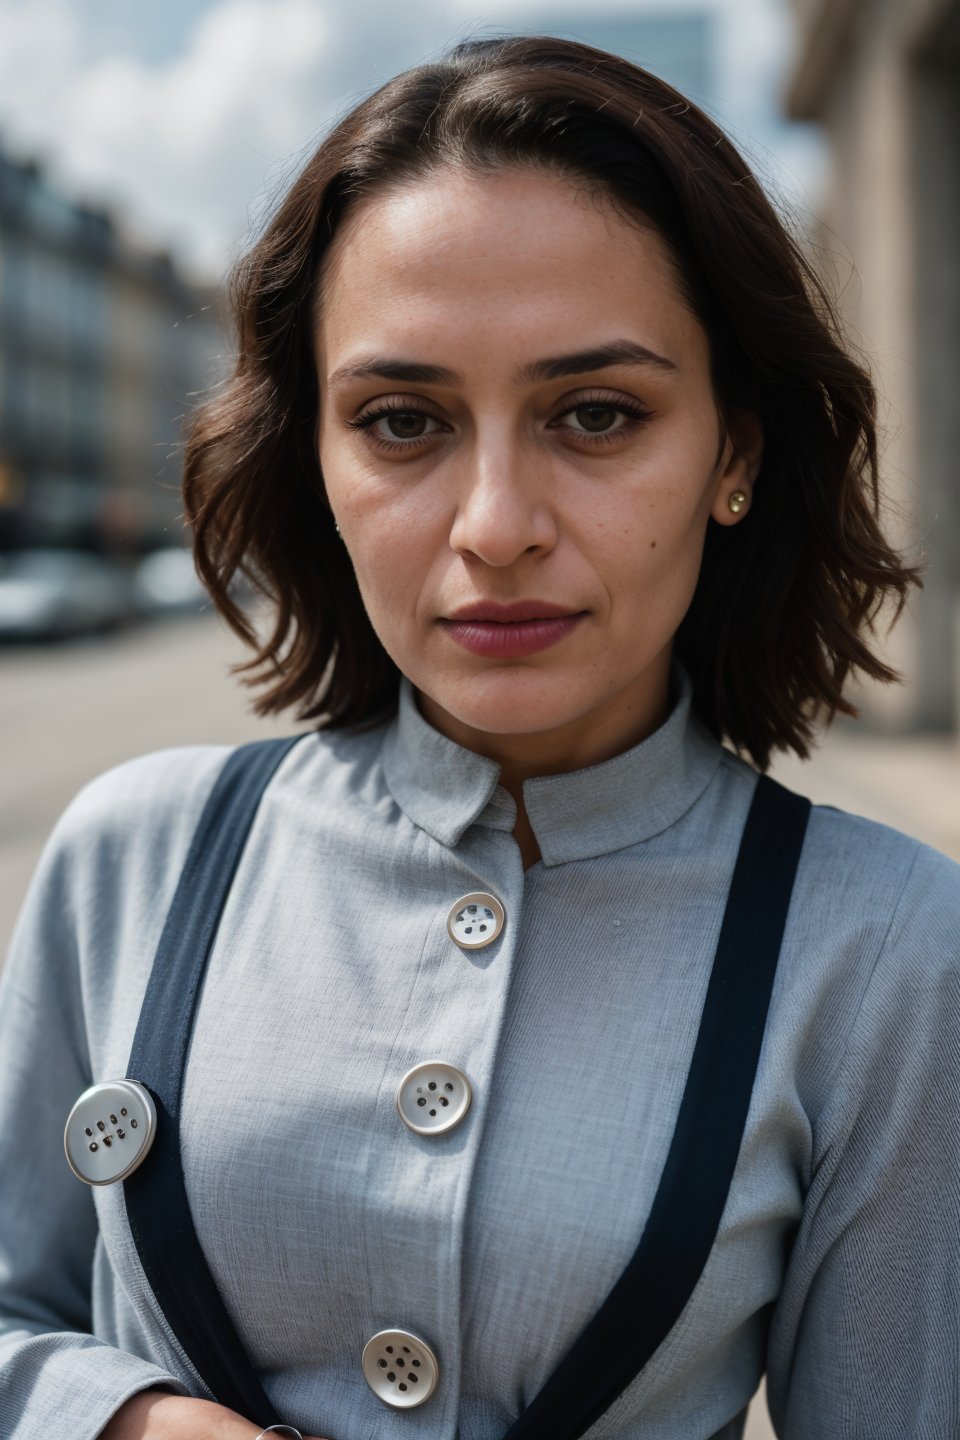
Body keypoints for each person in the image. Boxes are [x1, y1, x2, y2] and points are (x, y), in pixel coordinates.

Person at [1, 32, 957, 1440]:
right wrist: (127, 1421)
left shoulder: (884, 948)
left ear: (735, 455)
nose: (496, 523)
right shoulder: (129, 858)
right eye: (401, 421)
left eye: (596, 414)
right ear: (312, 458)